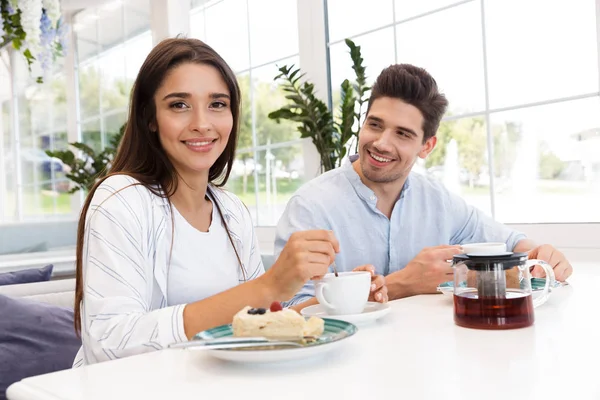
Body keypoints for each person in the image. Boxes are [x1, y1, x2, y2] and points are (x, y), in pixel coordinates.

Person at [72, 38, 387, 366]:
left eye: (217, 104)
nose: (202, 123)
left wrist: (340, 301)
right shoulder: (122, 199)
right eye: (179, 105)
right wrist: (267, 287)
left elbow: (257, 322)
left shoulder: (232, 211)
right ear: (149, 118)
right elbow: (108, 342)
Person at [275, 63, 573, 306]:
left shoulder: (437, 201)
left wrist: (541, 255)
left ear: (427, 146)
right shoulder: (311, 207)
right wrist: (403, 283)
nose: (381, 143)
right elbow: (290, 310)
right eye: (375, 124)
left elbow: (511, 244)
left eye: (402, 134)